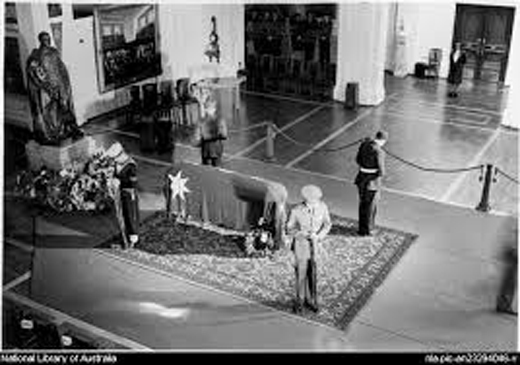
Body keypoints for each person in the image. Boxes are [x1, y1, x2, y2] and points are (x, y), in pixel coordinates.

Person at [26, 31, 83, 145]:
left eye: (48, 39)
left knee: (64, 107)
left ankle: (68, 128)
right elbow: (35, 73)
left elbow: (60, 68)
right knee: (49, 112)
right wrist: (47, 87)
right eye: (44, 39)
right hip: (46, 88)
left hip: (58, 85)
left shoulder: (54, 52)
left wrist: (62, 85)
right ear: (40, 41)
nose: (47, 41)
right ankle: (51, 134)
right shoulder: (35, 56)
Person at [287, 184, 332, 314]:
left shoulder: (323, 207)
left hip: (315, 245)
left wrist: (319, 236)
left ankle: (311, 300)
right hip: (301, 245)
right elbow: (289, 228)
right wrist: (303, 234)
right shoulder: (296, 210)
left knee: (313, 273)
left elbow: (327, 224)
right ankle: (299, 301)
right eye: (313, 198)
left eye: (317, 198)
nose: (316, 201)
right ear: (306, 198)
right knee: (301, 274)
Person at [354, 131, 387, 236]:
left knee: (363, 204)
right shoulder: (380, 152)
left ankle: (361, 229)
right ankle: (368, 230)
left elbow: (357, 160)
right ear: (383, 140)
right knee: (371, 207)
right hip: (372, 183)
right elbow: (382, 171)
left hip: (361, 179)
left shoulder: (364, 144)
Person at [194, 98, 228, 167]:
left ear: (205, 109)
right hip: (217, 149)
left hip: (205, 150)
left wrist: (203, 138)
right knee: (217, 170)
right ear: (215, 109)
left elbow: (197, 139)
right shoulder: (220, 120)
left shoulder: (201, 121)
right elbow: (224, 135)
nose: (210, 110)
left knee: (206, 171)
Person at [496, 225, 518, 315]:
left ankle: (503, 304)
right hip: (512, 251)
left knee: (509, 280)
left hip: (512, 250)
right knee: (510, 281)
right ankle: (504, 305)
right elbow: (512, 237)